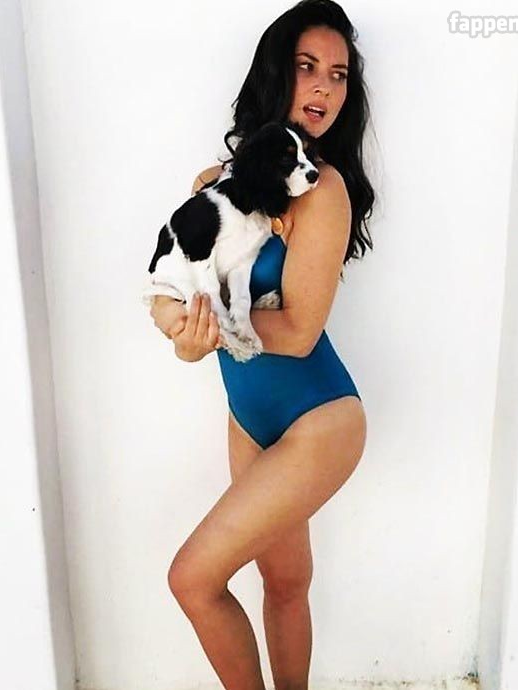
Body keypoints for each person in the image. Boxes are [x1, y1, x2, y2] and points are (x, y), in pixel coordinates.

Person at [148, 1, 375, 687]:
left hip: (318, 417)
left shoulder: (323, 191)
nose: (324, 87)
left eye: (338, 74)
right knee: (284, 582)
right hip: (249, 417)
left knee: (192, 579)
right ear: (276, 74)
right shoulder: (215, 186)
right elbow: (179, 292)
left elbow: (299, 332)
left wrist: (209, 331)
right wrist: (183, 338)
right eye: (307, 67)